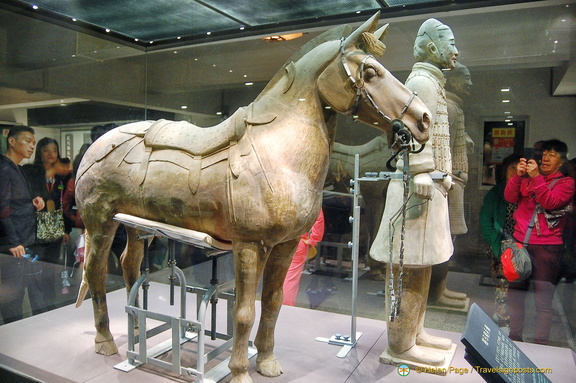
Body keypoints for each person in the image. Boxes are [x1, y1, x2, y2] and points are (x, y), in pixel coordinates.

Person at [370, 18, 458, 367]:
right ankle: (400, 344)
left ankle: (414, 333)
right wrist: (420, 170)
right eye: (450, 42)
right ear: (432, 47)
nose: (456, 50)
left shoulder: (432, 81)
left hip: (429, 185)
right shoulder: (421, 80)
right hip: (416, 187)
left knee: (421, 266)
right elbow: (411, 129)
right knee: (407, 267)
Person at [504, 139, 574, 344]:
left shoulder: (566, 183)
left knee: (543, 300)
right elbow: (509, 197)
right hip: (519, 244)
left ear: (561, 161)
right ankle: (514, 337)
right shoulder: (527, 178)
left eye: (552, 155)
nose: (545, 158)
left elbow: (550, 202)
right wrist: (518, 175)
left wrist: (535, 178)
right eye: (544, 154)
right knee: (515, 295)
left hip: (547, 248)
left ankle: (541, 343)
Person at [428, 61, 474, 309]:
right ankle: (435, 293)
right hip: (448, 182)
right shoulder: (449, 107)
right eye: (465, 78)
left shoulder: (453, 107)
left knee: (448, 239)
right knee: (444, 239)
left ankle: (439, 289)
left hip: (453, 180)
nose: (470, 83)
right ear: (454, 80)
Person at [0, 126, 46, 323]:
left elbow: (14, 203)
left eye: (34, 142)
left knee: (21, 292)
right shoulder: (4, 168)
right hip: (13, 245)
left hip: (22, 241)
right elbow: (2, 208)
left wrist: (33, 202)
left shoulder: (15, 168)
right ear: (12, 141)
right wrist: (13, 242)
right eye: (27, 141)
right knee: (12, 297)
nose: (32, 146)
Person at [21, 137, 72, 308]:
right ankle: (37, 309)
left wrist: (65, 229)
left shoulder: (59, 177)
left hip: (54, 233)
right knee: (35, 273)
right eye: (46, 150)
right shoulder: (30, 172)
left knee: (51, 272)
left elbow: (63, 204)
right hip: (35, 233)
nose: (51, 154)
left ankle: (50, 306)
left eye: (54, 150)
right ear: (39, 153)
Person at [480, 154, 521, 328]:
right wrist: (494, 243)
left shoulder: (528, 191)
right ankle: (503, 319)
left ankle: (517, 319)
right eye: (512, 168)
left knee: (519, 286)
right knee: (502, 284)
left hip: (522, 247)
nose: (516, 172)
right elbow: (485, 220)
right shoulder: (496, 192)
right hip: (501, 245)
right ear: (504, 171)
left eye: (519, 168)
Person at [283, 210, 324, 306]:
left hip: (279, 239)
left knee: (276, 275)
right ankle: (286, 307)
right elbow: (318, 218)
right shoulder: (307, 195)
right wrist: (313, 239)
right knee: (291, 278)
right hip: (299, 239)